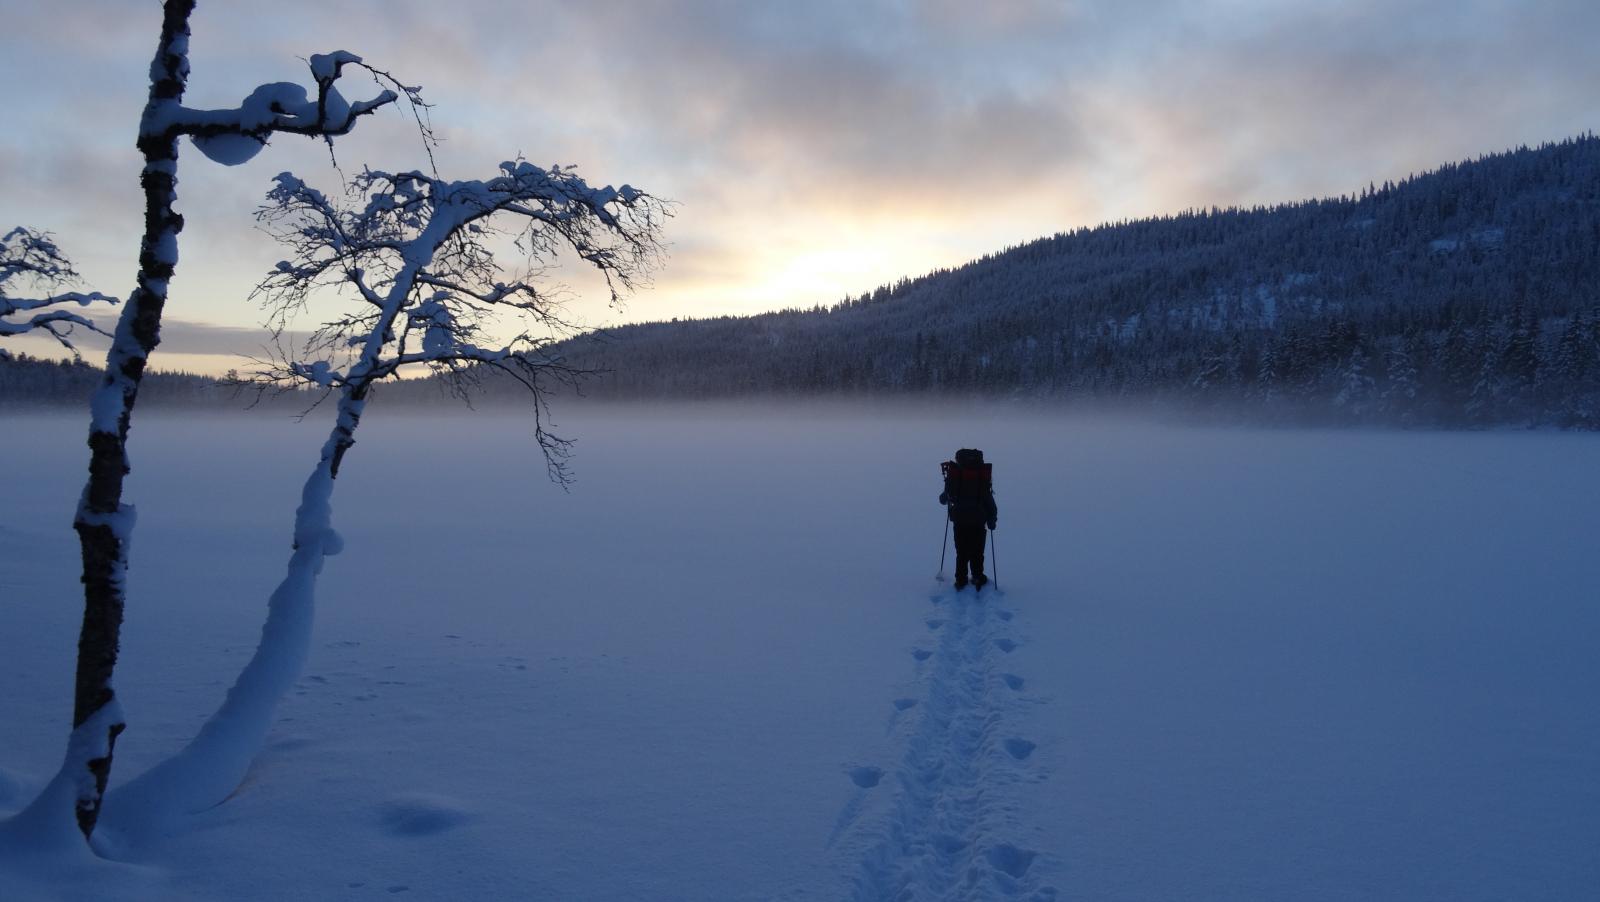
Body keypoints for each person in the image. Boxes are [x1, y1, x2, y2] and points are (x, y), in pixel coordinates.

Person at [939, 448, 998, 590]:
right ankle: (977, 577)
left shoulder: (956, 476)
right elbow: (990, 502)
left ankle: (961, 580)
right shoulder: (981, 477)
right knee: (977, 551)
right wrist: (992, 519)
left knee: (961, 551)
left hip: (959, 519)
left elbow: (943, 499)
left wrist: (947, 494)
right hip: (978, 519)